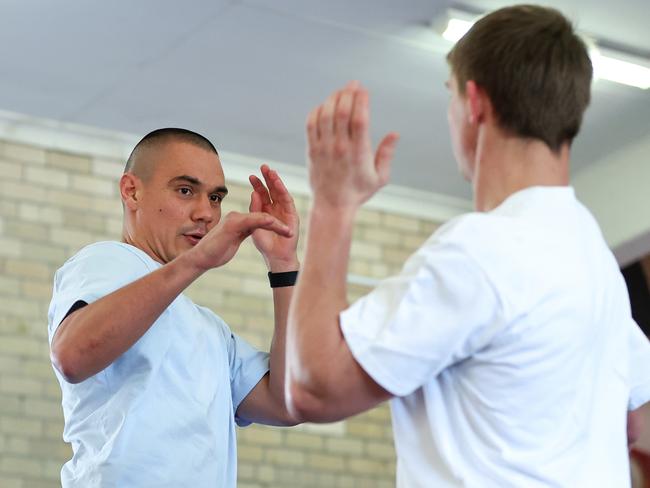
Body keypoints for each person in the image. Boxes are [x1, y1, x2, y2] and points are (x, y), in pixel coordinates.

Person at [286, 5, 650, 487]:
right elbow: (638, 415)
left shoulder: (483, 250)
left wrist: (334, 204)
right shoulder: (592, 256)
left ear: (474, 103)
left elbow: (313, 389)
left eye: (451, 96)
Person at [47, 128, 300, 487]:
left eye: (215, 198)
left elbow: (288, 402)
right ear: (131, 191)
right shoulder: (106, 261)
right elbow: (72, 355)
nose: (206, 214)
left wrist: (283, 264)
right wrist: (196, 262)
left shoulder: (211, 331)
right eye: (185, 191)